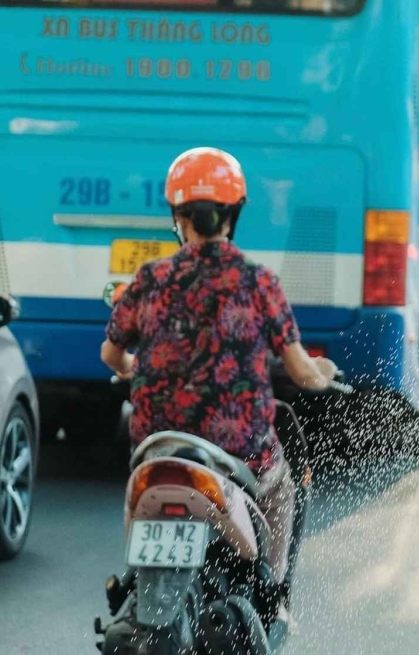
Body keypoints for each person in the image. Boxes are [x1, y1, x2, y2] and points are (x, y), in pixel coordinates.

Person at [100, 147, 338, 591]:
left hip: (158, 446)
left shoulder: (150, 278)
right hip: (238, 449)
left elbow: (110, 356)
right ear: (233, 214)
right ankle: (272, 587)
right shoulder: (257, 281)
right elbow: (303, 373)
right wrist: (323, 373)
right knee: (280, 484)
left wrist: (134, 366)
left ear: (179, 217)